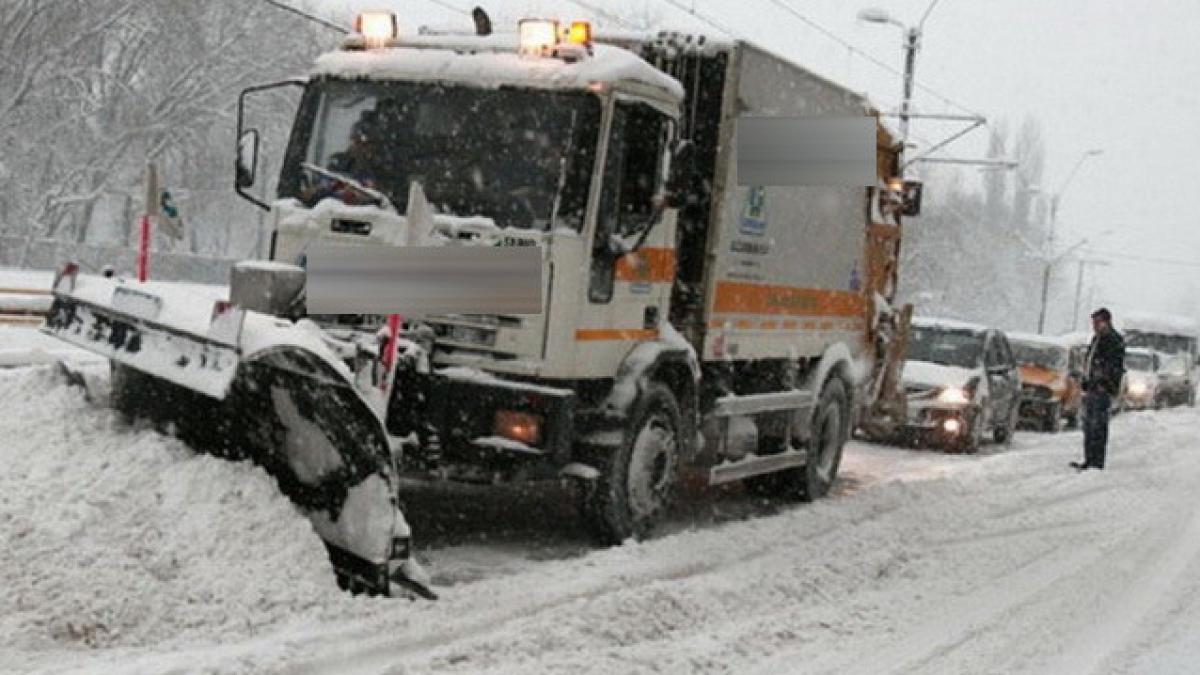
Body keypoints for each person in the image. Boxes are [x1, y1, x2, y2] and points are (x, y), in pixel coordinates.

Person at [1072, 307, 1125, 471]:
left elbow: (1113, 366)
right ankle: (1089, 459)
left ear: (1106, 322)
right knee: (1089, 426)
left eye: (1097, 322)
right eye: (1093, 323)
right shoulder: (1097, 339)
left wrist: (1104, 382)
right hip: (1092, 387)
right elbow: (1090, 361)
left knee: (1098, 426)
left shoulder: (1113, 340)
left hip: (1102, 389)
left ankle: (1096, 461)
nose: (1094, 326)